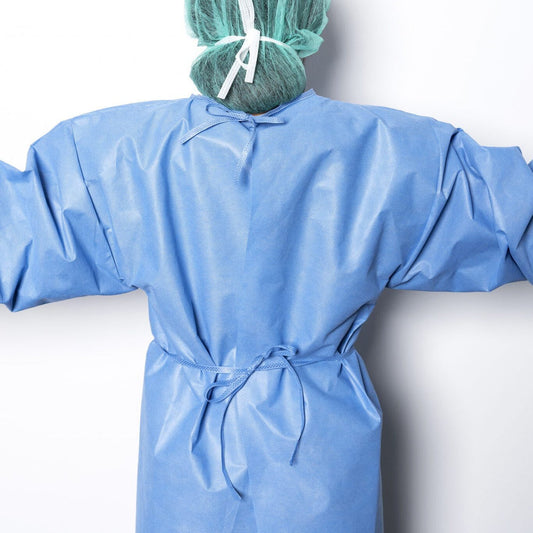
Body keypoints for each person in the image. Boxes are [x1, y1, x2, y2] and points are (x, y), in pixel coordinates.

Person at [1, 0, 532, 531]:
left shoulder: (122, 152)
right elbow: (511, 217)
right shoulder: (388, 150)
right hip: (318, 447)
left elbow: (19, 238)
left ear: (204, 21)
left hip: (188, 444)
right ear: (305, 22)